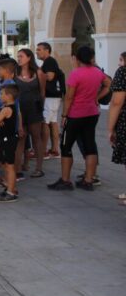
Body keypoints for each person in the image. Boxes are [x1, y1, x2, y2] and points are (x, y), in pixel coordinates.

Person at [48, 46, 111, 191]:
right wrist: (97, 98)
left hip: (76, 114)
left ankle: (65, 180)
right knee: (90, 145)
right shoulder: (97, 72)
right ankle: (88, 180)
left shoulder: (76, 74)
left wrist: (64, 115)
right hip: (92, 113)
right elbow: (108, 85)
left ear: (76, 58)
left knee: (66, 146)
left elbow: (69, 97)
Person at [16, 48, 46, 178]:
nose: (19, 59)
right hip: (20, 109)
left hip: (34, 108)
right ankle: (19, 167)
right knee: (21, 138)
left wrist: (41, 108)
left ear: (29, 58)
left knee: (36, 137)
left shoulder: (38, 72)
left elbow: (43, 92)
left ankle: (39, 167)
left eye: (21, 56)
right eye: (18, 57)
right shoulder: (15, 73)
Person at [0, 84, 21, 203]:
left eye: (2, 93)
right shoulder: (5, 107)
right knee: (5, 164)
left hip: (7, 140)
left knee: (9, 166)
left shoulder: (6, 109)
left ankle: (11, 192)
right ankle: (10, 187)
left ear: (9, 96)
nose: (0, 95)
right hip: (4, 139)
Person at [37, 42, 63, 159]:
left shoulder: (50, 61)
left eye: (39, 49)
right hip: (54, 97)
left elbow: (50, 76)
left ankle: (44, 151)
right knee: (52, 121)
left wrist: (37, 75)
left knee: (45, 122)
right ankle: (54, 149)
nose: (37, 52)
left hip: (50, 96)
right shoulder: (48, 62)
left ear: (47, 50)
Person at [108, 52, 126, 206]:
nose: (119, 63)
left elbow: (117, 102)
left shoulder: (123, 72)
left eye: (121, 60)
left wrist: (110, 128)